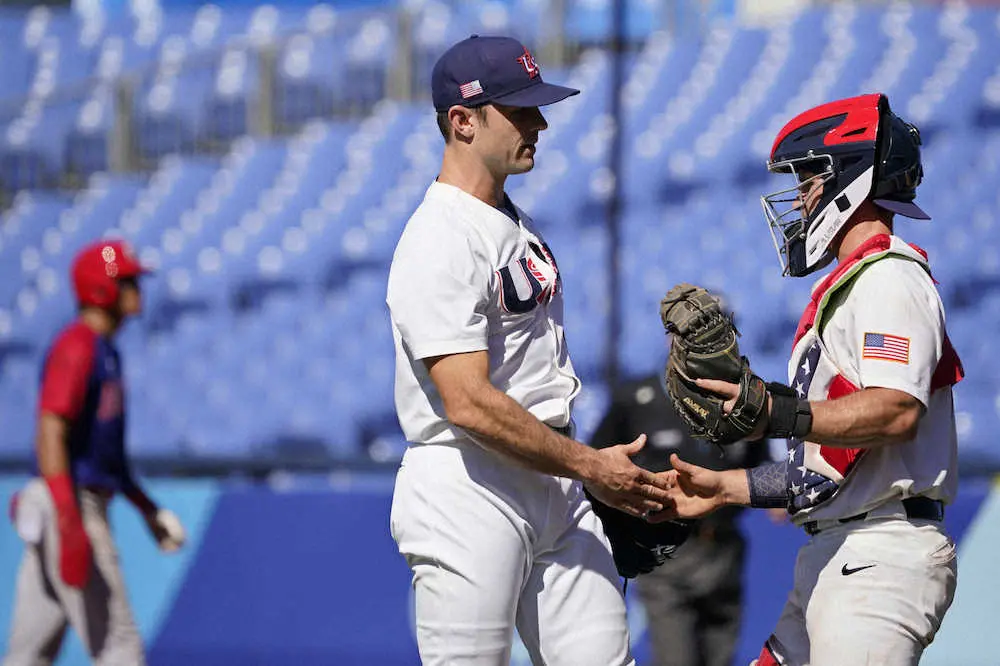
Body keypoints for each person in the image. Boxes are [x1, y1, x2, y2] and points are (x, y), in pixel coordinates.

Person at [386, 35, 672, 666]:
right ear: (462, 121)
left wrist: (579, 468)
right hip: (470, 481)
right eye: (519, 110)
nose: (539, 122)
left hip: (554, 478)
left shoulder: (513, 221)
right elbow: (467, 403)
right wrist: (590, 465)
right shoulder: (439, 238)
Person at [656, 93, 964, 666]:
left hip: (880, 557)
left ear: (851, 176)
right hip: (841, 550)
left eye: (810, 177)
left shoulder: (890, 277)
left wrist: (779, 413)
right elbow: (827, 467)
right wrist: (725, 489)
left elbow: (896, 410)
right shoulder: (858, 284)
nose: (800, 197)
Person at [4, 239, 187, 666]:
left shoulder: (105, 351)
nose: (137, 290)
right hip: (70, 502)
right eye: (127, 281)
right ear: (103, 290)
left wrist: (146, 509)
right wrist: (69, 521)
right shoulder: (78, 347)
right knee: (118, 647)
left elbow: (109, 457)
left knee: (29, 653)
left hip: (64, 501)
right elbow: (49, 430)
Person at [591, 373, 777, 666]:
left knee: (721, 657)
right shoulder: (635, 398)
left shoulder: (741, 401)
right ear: (669, 339)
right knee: (676, 659)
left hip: (723, 548)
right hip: (665, 551)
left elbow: (761, 464)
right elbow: (596, 469)